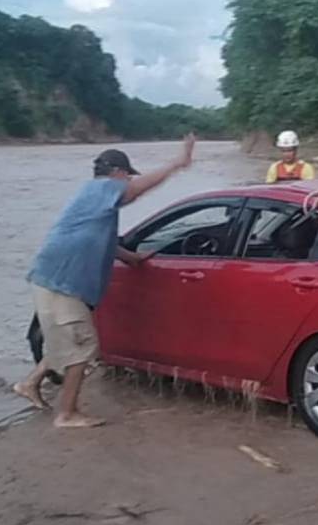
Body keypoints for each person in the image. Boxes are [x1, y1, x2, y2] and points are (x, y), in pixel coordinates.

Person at [13, 136, 195, 428]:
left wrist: (132, 259)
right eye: (126, 176)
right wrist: (177, 163)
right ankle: (67, 414)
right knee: (84, 346)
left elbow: (103, 241)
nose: (127, 182)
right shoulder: (101, 188)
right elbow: (136, 190)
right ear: (118, 173)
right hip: (63, 283)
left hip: (54, 279)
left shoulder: (94, 202)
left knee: (68, 341)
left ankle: (29, 384)